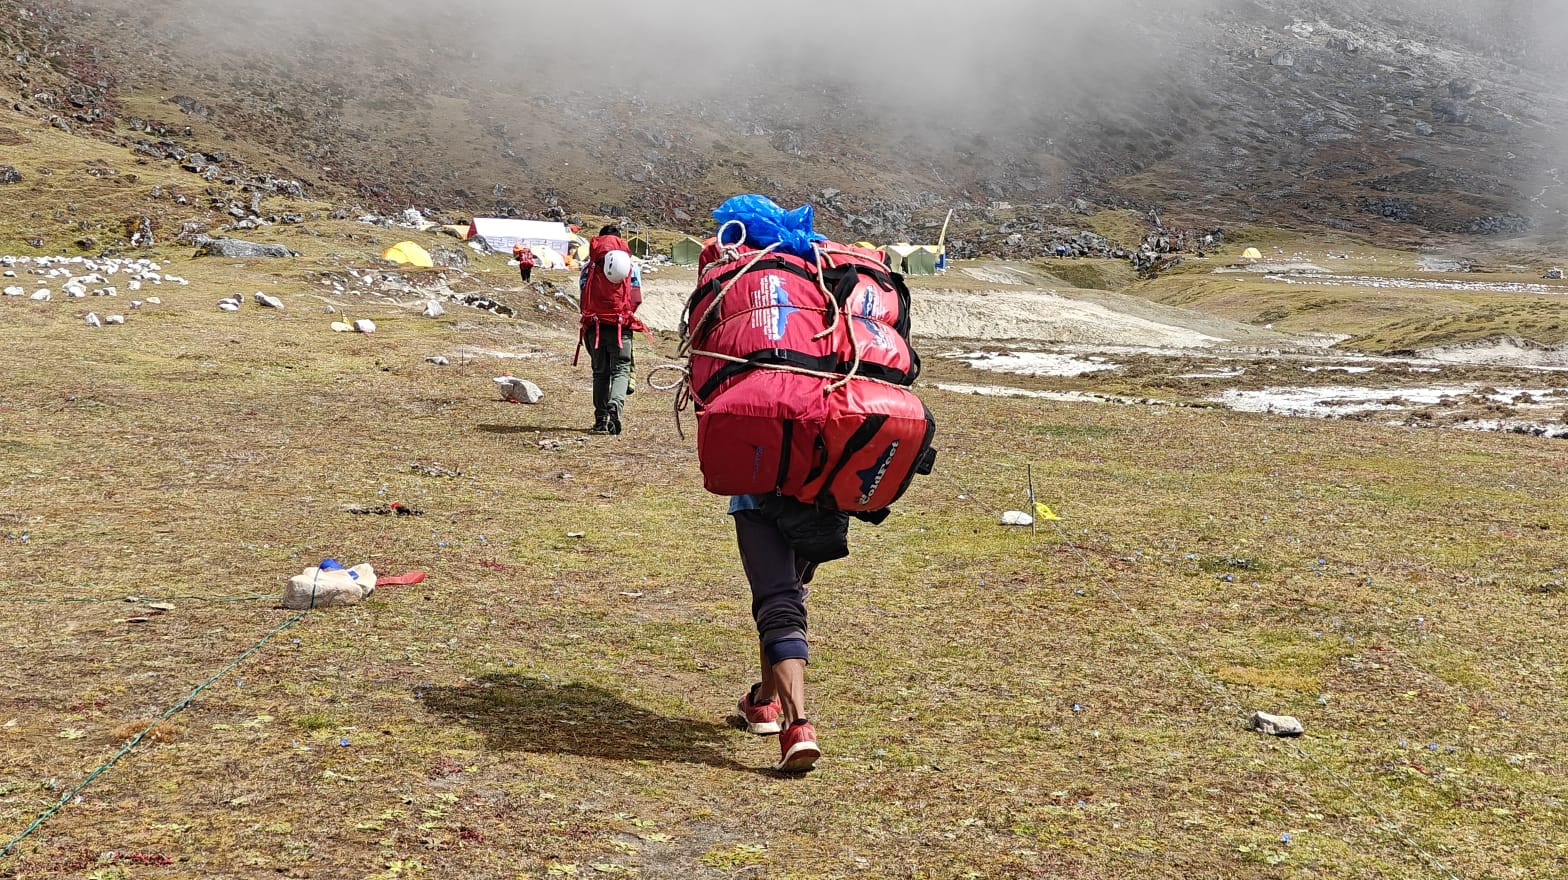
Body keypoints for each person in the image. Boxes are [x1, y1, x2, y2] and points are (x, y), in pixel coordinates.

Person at [577, 225, 643, 435]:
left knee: (600, 374)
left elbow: (583, 296)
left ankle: (600, 420)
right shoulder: (631, 267)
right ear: (621, 242)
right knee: (621, 369)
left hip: (594, 327)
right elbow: (636, 297)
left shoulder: (589, 267)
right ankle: (616, 404)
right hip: (620, 327)